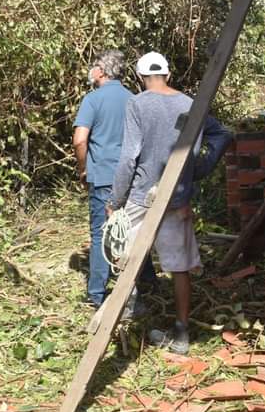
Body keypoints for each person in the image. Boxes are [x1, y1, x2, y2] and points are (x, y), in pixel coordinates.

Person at [107, 51, 232, 354]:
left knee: (125, 261)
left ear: (139, 78)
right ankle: (182, 334)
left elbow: (129, 157)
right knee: (179, 269)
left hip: (141, 197)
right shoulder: (191, 105)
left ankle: (126, 320)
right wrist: (198, 170)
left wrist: (115, 199)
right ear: (168, 75)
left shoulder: (137, 104)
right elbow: (222, 134)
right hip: (177, 198)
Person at [72, 50, 157, 310]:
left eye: (94, 66)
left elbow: (79, 139)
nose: (91, 71)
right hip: (132, 177)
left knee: (102, 233)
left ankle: (97, 293)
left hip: (103, 176)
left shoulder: (93, 100)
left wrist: (83, 168)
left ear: (102, 71)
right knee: (132, 229)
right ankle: (148, 282)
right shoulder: (134, 99)